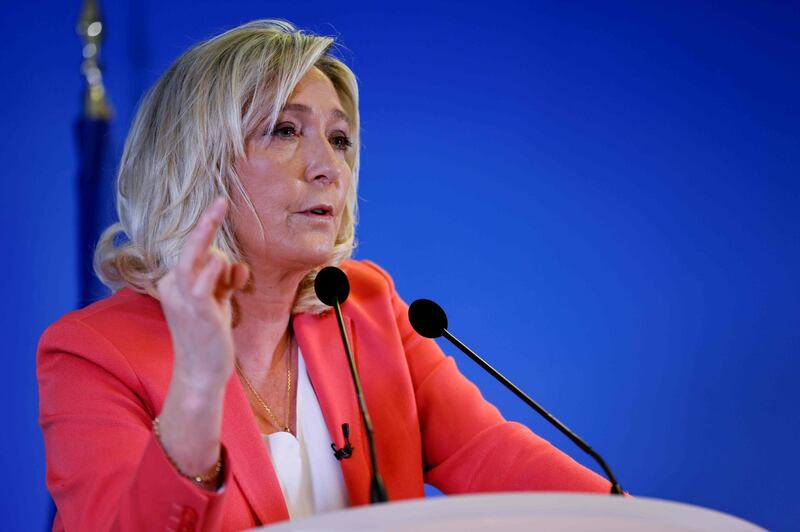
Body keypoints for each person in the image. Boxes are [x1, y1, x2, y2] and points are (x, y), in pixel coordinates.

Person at [37, 19, 611, 531]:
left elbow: (488, 451)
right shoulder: (94, 353)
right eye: (286, 130)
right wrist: (195, 392)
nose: (329, 168)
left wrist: (627, 517)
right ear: (197, 164)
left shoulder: (367, 305)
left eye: (339, 140)